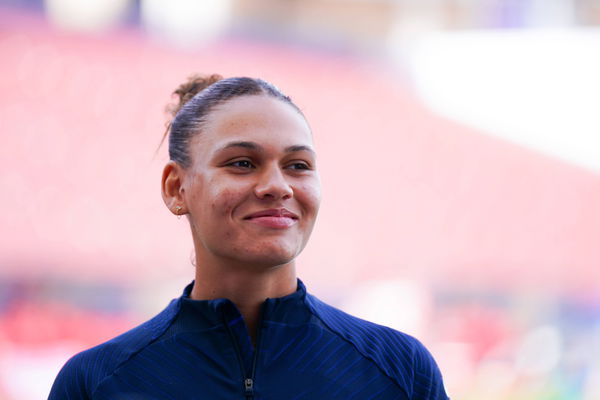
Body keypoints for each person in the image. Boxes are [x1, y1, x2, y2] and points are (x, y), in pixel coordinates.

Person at [48, 74, 449, 399]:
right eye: (242, 163)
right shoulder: (97, 382)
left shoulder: (400, 370)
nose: (278, 186)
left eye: (297, 165)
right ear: (176, 188)